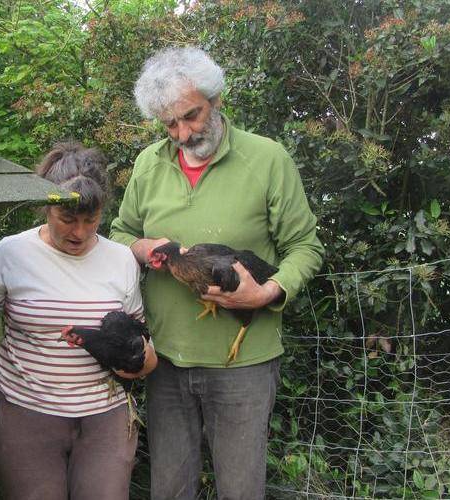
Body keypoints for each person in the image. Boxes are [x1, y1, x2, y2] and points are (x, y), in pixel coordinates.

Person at [110, 46, 325, 499]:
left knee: (241, 490)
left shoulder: (267, 159)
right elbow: (120, 231)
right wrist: (142, 246)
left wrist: (267, 293)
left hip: (242, 367)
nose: (184, 133)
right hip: (164, 360)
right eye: (170, 124)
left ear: (217, 98)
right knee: (169, 489)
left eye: (192, 115)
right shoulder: (149, 164)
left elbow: (305, 246)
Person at [0, 142, 157, 500]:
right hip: (26, 412)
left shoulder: (121, 260)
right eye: (67, 219)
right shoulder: (11, 253)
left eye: (91, 219)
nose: (80, 232)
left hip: (106, 417)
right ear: (46, 207)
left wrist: (144, 360)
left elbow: (139, 332)